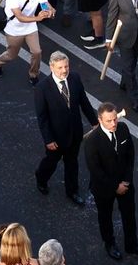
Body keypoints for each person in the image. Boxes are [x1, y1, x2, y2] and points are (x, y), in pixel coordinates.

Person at [83, 102, 138, 260]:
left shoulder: (123, 128)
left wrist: (126, 181)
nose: (113, 123)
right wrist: (115, 186)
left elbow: (130, 156)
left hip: (125, 183)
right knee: (105, 217)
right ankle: (109, 244)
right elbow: (95, 169)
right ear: (100, 120)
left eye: (114, 119)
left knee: (129, 215)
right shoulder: (92, 141)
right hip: (104, 188)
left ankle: (132, 245)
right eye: (108, 121)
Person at [33, 53, 96, 204]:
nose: (64, 70)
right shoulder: (42, 88)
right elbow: (42, 117)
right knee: (51, 161)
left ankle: (72, 191)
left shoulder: (75, 78)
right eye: (60, 67)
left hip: (75, 132)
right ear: (51, 67)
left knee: (72, 162)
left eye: (66, 66)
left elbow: (84, 102)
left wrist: (95, 121)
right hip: (55, 137)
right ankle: (41, 178)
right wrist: (48, 139)